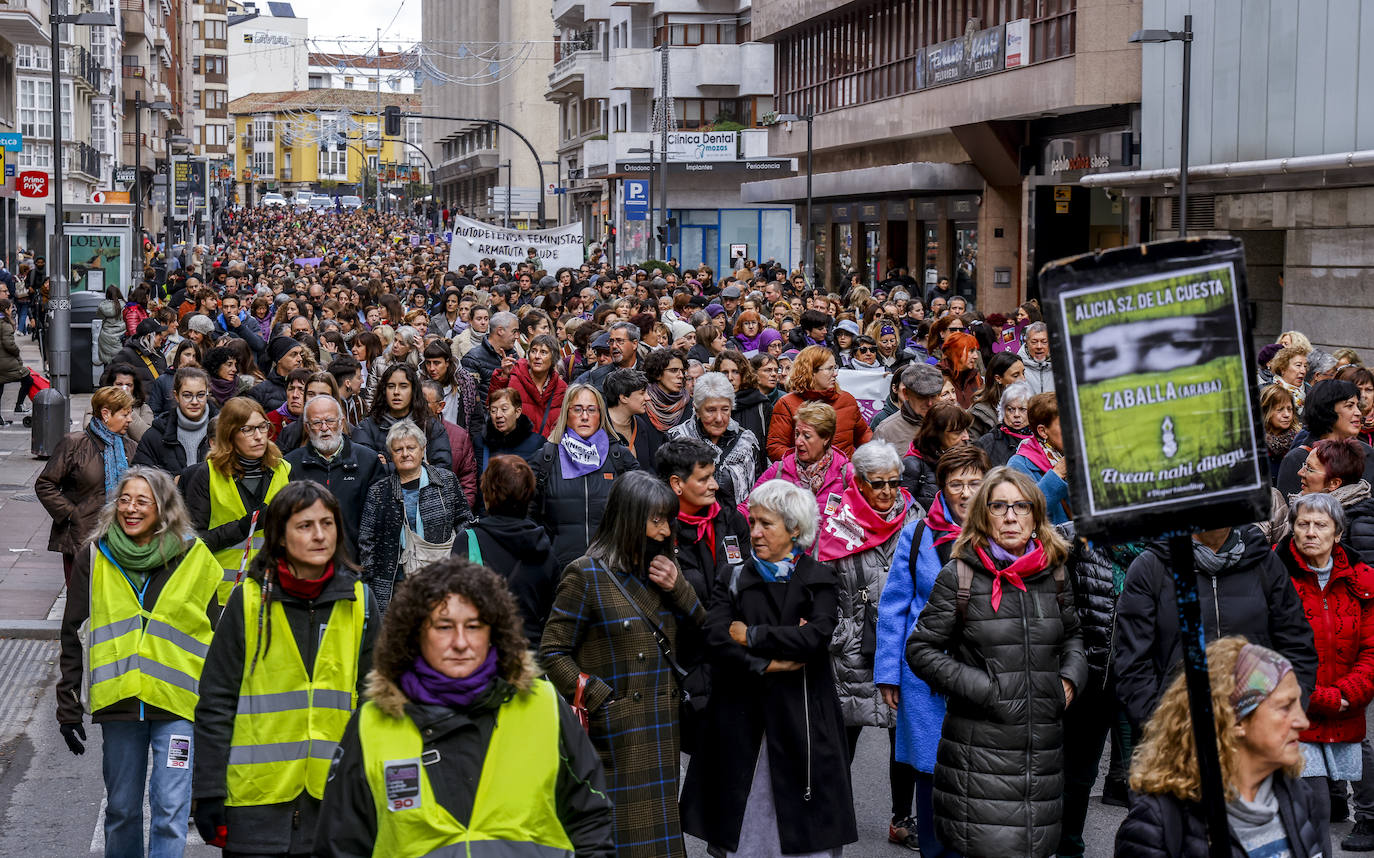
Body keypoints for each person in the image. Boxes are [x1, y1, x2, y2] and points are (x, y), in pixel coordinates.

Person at [313, 557, 615, 857]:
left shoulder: (543, 706)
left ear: (493, 633)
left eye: (473, 626)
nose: (460, 642)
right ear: (415, 633)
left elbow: (591, 818)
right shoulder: (373, 723)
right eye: (444, 626)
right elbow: (340, 844)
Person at [905, 467, 1087, 858]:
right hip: (979, 755)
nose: (1010, 516)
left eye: (1021, 506)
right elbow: (921, 650)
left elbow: (1073, 635)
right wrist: (986, 690)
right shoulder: (961, 575)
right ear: (982, 515)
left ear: (1036, 515)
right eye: (999, 506)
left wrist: (1069, 680)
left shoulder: (1054, 573)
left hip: (1041, 756)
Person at [192, 481, 377, 857]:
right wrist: (208, 790)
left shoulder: (361, 602)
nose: (320, 535)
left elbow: (380, 703)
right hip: (256, 806)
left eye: (328, 523)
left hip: (335, 802)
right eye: (305, 526)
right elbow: (216, 702)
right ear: (279, 535)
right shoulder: (247, 602)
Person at [680, 478, 858, 857]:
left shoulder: (818, 579)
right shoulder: (733, 577)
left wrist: (752, 635)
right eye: (754, 522)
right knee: (740, 823)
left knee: (801, 823)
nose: (754, 532)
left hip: (802, 718)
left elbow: (816, 639)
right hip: (742, 716)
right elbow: (714, 638)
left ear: (794, 530)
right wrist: (765, 665)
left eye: (766, 524)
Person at [56, 466, 222, 858]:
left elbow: (216, 640)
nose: (131, 508)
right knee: (122, 809)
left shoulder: (195, 557)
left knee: (170, 809)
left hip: (178, 704)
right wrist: (67, 705)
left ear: (164, 509)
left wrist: (218, 711)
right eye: (125, 500)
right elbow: (73, 632)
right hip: (120, 703)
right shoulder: (94, 557)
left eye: (142, 501)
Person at [539, 472, 706, 858]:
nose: (664, 531)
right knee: (620, 842)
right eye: (656, 520)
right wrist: (599, 699)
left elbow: (704, 638)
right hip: (615, 735)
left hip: (662, 730)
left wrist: (681, 589)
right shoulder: (586, 573)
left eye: (668, 520)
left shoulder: (665, 571)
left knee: (661, 841)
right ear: (629, 519)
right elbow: (551, 650)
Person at [1114, 638, 1329, 858]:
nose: (1303, 722)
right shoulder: (1156, 825)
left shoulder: (1298, 797)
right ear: (1235, 720)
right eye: (1285, 707)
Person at [877, 444, 989, 854]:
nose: (965, 492)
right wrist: (888, 672)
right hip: (924, 674)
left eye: (974, 483)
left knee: (978, 767)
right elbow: (894, 605)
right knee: (930, 768)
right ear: (941, 487)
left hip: (982, 671)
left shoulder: (1002, 531)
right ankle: (933, 848)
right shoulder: (918, 532)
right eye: (956, 483)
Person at [816, 440, 922, 842]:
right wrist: (839, 634)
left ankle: (901, 818)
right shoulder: (835, 519)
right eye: (878, 484)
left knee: (904, 737)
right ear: (858, 482)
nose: (888, 492)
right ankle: (835, 814)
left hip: (900, 646)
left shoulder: (915, 516)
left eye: (894, 483)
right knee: (843, 737)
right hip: (850, 648)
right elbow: (818, 586)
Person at [1114, 522, 1318, 730]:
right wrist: (1161, 729)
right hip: (1178, 736)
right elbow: (1132, 663)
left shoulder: (1264, 563)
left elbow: (1297, 646)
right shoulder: (1151, 567)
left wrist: (1283, 712)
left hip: (1257, 733)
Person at [1274, 493, 1374, 830]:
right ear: (1292, 530)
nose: (1311, 532)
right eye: (1303, 524)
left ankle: (1367, 818)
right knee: (1310, 808)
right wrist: (1316, 697)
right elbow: (1265, 651)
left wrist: (1347, 694)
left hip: (1348, 704)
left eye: (1321, 525)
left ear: (1338, 533)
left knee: (1356, 764)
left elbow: (1371, 651)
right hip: (1294, 710)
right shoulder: (1274, 577)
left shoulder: (1362, 580)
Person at [179, 396, 292, 607]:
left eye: (262, 427)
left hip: (274, 591)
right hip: (221, 594)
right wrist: (244, 526)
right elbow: (194, 543)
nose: (258, 436)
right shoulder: (206, 474)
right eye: (247, 430)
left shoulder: (284, 470)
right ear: (229, 434)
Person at [359, 419, 474, 614]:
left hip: (441, 578)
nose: (405, 454)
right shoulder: (379, 492)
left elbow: (464, 522)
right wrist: (370, 577)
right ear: (390, 454)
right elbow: (366, 539)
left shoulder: (445, 481)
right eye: (398, 450)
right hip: (395, 586)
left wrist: (461, 564)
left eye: (411, 448)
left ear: (422, 449)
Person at [453, 455, 559, 647]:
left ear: (486, 494)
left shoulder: (468, 541)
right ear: (529, 495)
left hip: (482, 657)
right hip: (530, 660)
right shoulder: (545, 547)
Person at [38, 385, 139, 584]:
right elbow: (45, 484)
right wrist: (72, 514)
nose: (130, 420)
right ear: (106, 414)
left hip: (121, 539)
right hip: (80, 538)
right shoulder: (74, 443)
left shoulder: (131, 448)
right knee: (81, 602)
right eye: (125, 414)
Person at [532, 384, 640, 570]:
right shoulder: (546, 457)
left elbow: (640, 508)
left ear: (601, 415)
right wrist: (544, 553)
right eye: (577, 409)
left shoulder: (619, 457)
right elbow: (528, 513)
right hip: (559, 569)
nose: (584, 416)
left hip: (613, 568)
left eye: (591, 410)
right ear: (567, 413)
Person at [284, 394, 381, 559]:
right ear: (307, 428)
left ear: (341, 423)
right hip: (306, 563)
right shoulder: (290, 465)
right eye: (316, 422)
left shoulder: (368, 461)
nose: (324, 428)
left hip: (355, 563)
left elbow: (378, 521)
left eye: (330, 420)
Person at [667, 371, 761, 508]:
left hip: (734, 525)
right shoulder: (677, 439)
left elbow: (756, 490)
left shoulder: (746, 443)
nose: (719, 418)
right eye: (711, 410)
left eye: (725, 409)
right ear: (697, 410)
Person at [750, 401, 850, 528]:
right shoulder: (780, 470)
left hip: (828, 548)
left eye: (806, 436)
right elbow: (750, 506)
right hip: (786, 547)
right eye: (797, 434)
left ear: (826, 438)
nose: (798, 442)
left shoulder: (845, 474)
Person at [766, 344, 872, 461]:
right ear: (811, 371)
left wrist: (873, 455)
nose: (835, 373)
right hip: (802, 477)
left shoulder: (847, 400)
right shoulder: (786, 404)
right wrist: (804, 463)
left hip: (843, 476)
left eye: (835, 367)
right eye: (829, 369)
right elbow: (775, 448)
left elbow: (863, 435)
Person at [1277, 380, 1374, 496]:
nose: (1358, 412)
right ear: (1326, 410)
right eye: (1349, 406)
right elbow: (1289, 509)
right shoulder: (1297, 459)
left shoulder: (1367, 453)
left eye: (1357, 406)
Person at [353, 362, 454, 471]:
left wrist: (387, 465)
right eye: (391, 386)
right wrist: (419, 466)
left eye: (403, 386)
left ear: (413, 390)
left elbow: (443, 470)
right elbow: (364, 470)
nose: (396, 392)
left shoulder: (431, 426)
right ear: (384, 390)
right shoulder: (367, 428)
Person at [131, 366, 214, 477]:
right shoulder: (156, 435)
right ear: (176, 396)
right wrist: (170, 483)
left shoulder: (223, 431)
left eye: (200, 395)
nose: (195, 402)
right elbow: (140, 477)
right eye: (187, 395)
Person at [1006, 391, 1072, 525]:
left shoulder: (1084, 452)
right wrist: (1057, 474)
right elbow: (1023, 512)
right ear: (1042, 431)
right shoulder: (1019, 464)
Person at [490, 332, 567, 437]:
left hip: (548, 449)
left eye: (543, 352)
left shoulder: (561, 387)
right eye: (533, 351)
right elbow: (493, 406)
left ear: (553, 358)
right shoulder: (515, 377)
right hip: (517, 446)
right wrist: (504, 376)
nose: (537, 356)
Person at [901, 402, 973, 511]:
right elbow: (903, 512)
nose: (966, 437)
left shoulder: (970, 460)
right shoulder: (912, 466)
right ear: (936, 435)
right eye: (958, 432)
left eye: (966, 430)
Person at [976, 380, 1034, 468]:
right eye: (1011, 409)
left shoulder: (1041, 439)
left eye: (1022, 409)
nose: (1016, 415)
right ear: (1003, 411)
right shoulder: (988, 443)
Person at [483, 386, 544, 467]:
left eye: (504, 409)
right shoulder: (481, 442)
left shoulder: (537, 443)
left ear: (517, 412)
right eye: (493, 410)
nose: (498, 415)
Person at [968, 352, 1025, 438]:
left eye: (1023, 373)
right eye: (1016, 375)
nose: (1023, 379)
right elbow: (972, 447)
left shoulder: (1027, 403)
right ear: (998, 378)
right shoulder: (979, 413)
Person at [247, 336, 306, 412]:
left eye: (300, 354)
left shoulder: (308, 385)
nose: (300, 359)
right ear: (279, 358)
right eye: (293, 354)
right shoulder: (260, 391)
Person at [642, 346, 692, 434]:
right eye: (674, 370)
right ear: (657, 374)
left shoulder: (690, 405)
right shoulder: (643, 403)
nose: (681, 375)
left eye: (682, 371)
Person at [0, 298, 33, 417]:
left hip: (3, 362)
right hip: (5, 363)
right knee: (28, 378)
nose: (12, 310)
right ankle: (19, 405)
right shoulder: (5, 325)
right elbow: (9, 344)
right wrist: (16, 351)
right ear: (6, 310)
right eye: (11, 308)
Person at [1270, 345, 1311, 412]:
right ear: (1283, 368)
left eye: (1305, 366)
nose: (1303, 371)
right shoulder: (1266, 391)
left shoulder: (1312, 393)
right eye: (1298, 365)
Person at [1017, 322, 1054, 395]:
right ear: (1026, 343)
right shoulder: (1017, 367)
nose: (1039, 346)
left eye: (1044, 342)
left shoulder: (1063, 364)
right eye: (1034, 342)